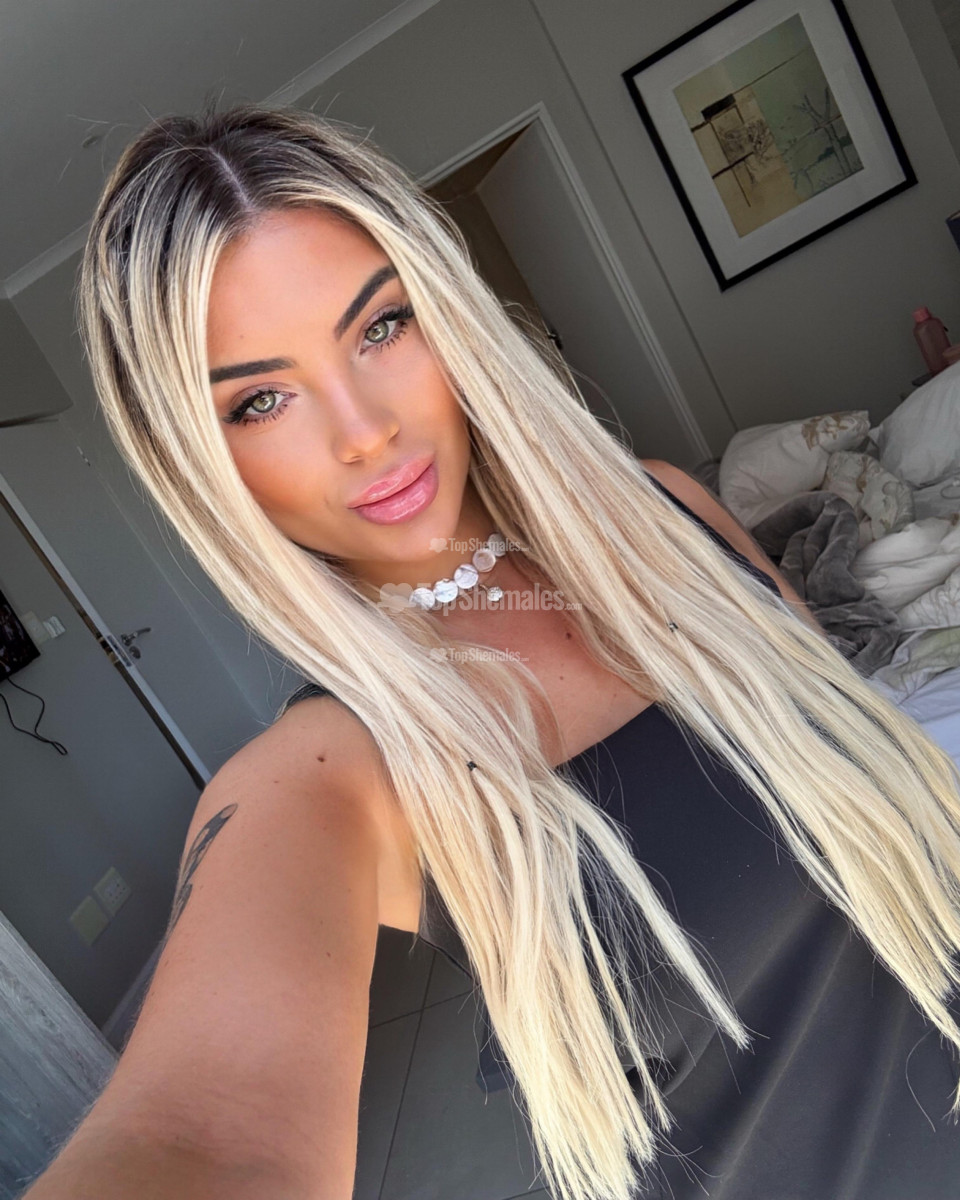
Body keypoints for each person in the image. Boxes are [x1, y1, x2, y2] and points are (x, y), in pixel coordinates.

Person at [22, 102, 960, 1200]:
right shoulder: (333, 772)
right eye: (262, 400)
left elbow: (873, 775)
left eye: (381, 327)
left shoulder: (671, 512)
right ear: (200, 464)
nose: (363, 429)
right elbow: (202, 1134)